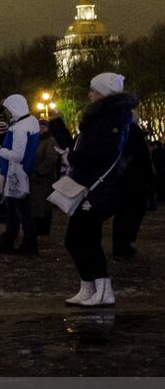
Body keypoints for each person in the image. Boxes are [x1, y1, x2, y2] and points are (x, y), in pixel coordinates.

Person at [49, 73, 136, 307]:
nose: (89, 95)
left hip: (98, 189)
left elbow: (105, 152)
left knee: (83, 239)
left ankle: (103, 289)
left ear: (104, 94)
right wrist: (60, 129)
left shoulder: (114, 118)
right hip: (91, 186)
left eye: (93, 91)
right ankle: (89, 287)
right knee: (80, 239)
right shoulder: (104, 117)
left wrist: (74, 156)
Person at [0, 94, 40, 255]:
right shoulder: (31, 122)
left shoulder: (19, 128)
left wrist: (1, 150)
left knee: (19, 211)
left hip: (17, 173)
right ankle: (16, 240)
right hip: (22, 172)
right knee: (18, 210)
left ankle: (24, 243)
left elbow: (18, 155)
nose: (6, 113)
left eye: (7, 110)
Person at [111, 118, 154, 258]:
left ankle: (120, 244)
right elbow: (144, 159)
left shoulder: (120, 132)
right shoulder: (133, 132)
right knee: (131, 213)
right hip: (134, 182)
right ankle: (123, 244)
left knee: (122, 215)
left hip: (124, 181)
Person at [29, 118, 60, 238]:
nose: (41, 129)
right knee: (36, 205)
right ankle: (36, 228)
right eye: (39, 126)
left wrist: (39, 171)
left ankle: (43, 229)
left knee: (43, 205)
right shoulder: (36, 140)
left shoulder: (51, 141)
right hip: (35, 178)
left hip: (44, 179)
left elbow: (51, 159)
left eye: (43, 127)